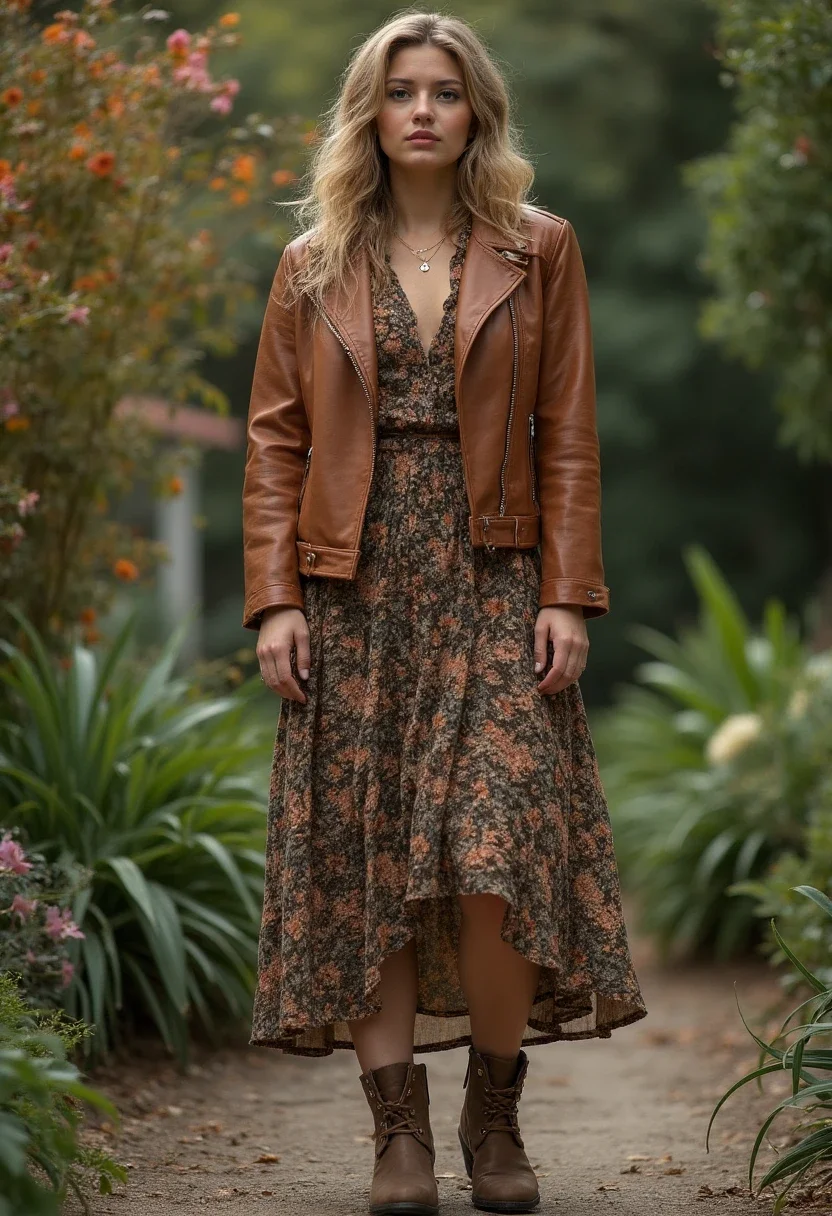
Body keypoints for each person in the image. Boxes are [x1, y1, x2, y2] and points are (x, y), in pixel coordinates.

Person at [241, 11, 648, 1215]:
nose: (423, 109)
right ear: (370, 111)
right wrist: (274, 599)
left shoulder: (540, 249)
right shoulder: (312, 263)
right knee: (369, 862)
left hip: (494, 577)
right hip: (351, 586)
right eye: (401, 90)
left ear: (479, 113)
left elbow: (568, 434)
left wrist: (570, 590)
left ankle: (492, 1110)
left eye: (447, 92)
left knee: (494, 849)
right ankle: (397, 1141)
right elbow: (273, 443)